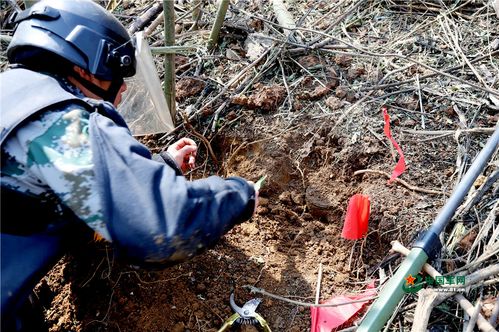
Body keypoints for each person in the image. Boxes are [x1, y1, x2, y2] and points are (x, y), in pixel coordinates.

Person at [0, 0, 257, 330]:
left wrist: (160, 165)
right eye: (116, 73)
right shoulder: (60, 119)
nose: (121, 88)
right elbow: (160, 226)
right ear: (84, 66)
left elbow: (66, 188)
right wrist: (238, 194)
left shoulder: (16, 97)